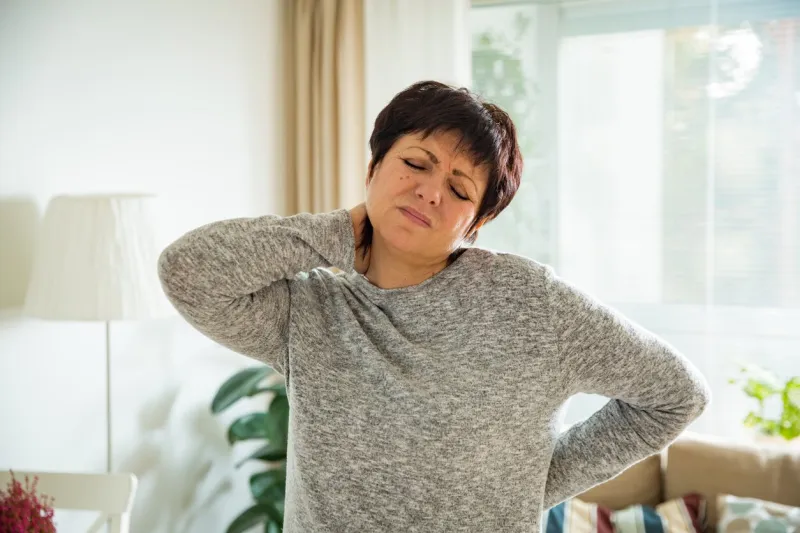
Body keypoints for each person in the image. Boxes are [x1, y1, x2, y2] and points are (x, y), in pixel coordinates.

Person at [158, 80, 710, 532]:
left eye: (460, 188)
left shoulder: (531, 305)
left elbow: (675, 395)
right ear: (373, 167)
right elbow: (188, 272)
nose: (429, 192)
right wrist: (341, 229)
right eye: (415, 163)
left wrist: (537, 480)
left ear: (476, 224)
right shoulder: (309, 311)